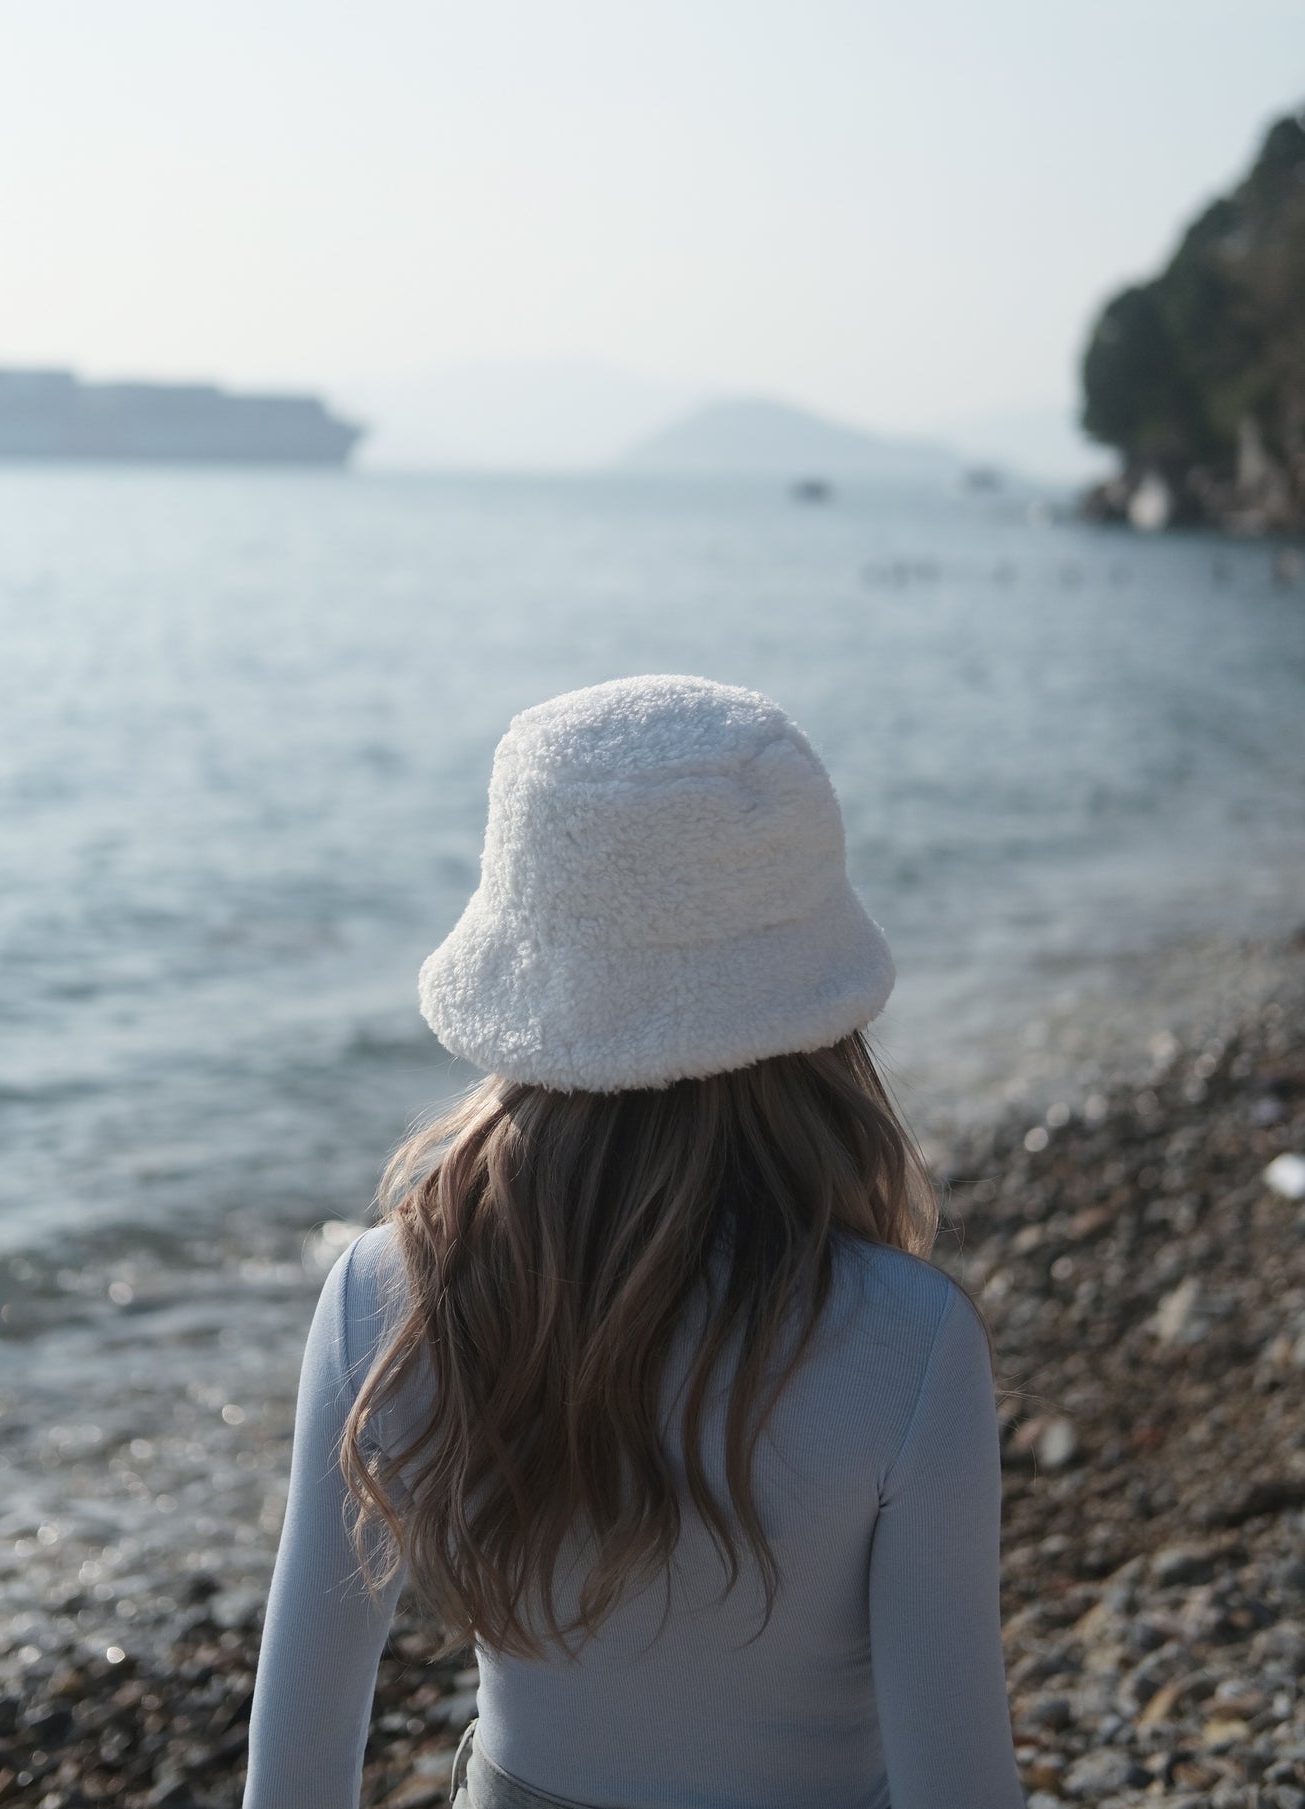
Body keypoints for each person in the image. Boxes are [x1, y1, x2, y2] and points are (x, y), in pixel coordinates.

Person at [242, 674, 1025, 1809]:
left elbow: (298, 1765)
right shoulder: (908, 1344)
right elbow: (957, 1787)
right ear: (817, 1012)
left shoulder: (386, 1295)